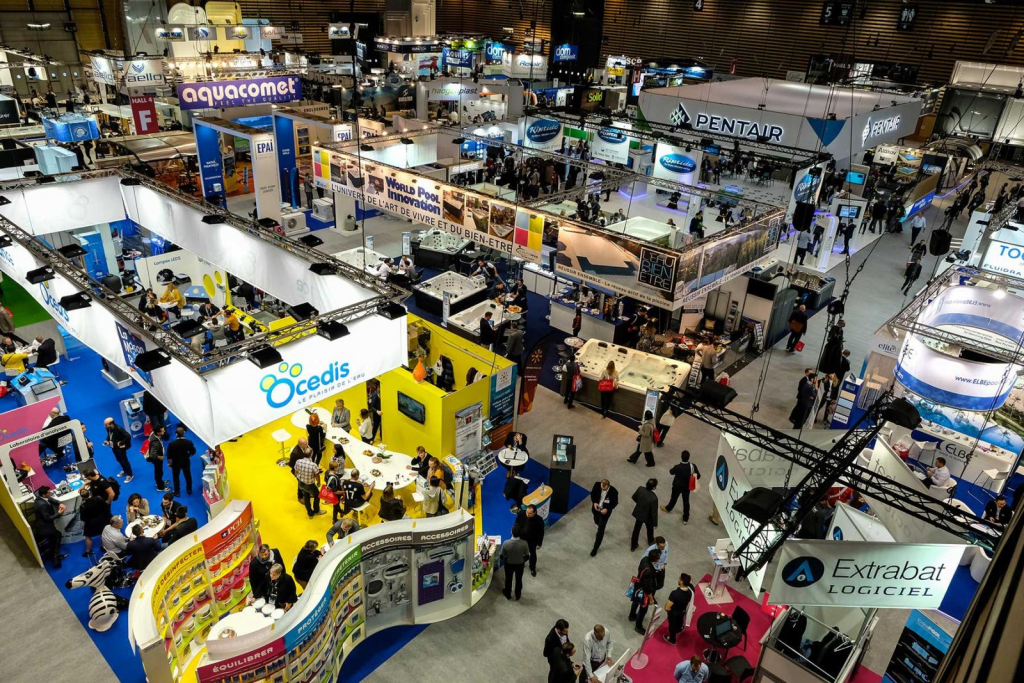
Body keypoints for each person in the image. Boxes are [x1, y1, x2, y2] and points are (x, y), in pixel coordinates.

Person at [33, 486, 67, 567]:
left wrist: (59, 503)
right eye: (49, 492)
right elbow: (47, 518)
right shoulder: (42, 505)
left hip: (42, 526)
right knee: (57, 538)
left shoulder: (39, 498)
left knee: (56, 538)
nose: (51, 493)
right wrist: (59, 513)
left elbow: (50, 499)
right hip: (45, 528)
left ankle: (54, 555)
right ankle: (55, 559)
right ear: (44, 494)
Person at [628, 548, 660, 633]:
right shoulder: (649, 571)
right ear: (656, 559)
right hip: (644, 591)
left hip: (638, 586)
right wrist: (651, 599)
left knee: (635, 601)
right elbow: (647, 588)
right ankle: (638, 627)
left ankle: (632, 615)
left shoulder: (644, 559)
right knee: (643, 609)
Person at [663, 451, 701, 523]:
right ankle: (685, 518)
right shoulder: (693, 466)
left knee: (674, 498)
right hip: (687, 487)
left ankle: (668, 508)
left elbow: (671, 472)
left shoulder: (677, 467)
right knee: (686, 501)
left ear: (681, 457)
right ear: (688, 457)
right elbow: (698, 476)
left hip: (677, 486)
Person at [500, 524, 529, 601]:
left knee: (508, 579)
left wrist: (506, 559)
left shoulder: (506, 543)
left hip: (509, 564)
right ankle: (518, 595)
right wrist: (521, 560)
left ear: (511, 532)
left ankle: (508, 594)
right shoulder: (524, 543)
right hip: (520, 565)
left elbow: (502, 556)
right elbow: (527, 556)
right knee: (519, 580)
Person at [590, 479, 618, 556]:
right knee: (596, 521)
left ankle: (595, 548)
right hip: (596, 510)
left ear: (608, 486)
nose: (603, 489)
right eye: (602, 488)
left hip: (605, 513)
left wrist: (607, 509)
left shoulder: (614, 492)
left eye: (604, 489)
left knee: (600, 531)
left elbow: (615, 503)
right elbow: (592, 494)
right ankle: (599, 525)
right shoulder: (596, 485)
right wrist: (595, 502)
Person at [664, 573, 695, 644]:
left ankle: (672, 640)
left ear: (681, 581)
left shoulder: (675, 593)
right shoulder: (690, 592)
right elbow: (691, 585)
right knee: (679, 621)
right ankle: (679, 629)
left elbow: (667, 607)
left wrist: (669, 610)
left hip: (674, 613)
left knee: (672, 626)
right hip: (682, 611)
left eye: (679, 578)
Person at [515, 504, 545, 577]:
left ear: (535, 512)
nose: (527, 514)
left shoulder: (539, 520)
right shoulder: (521, 513)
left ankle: (532, 568)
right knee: (520, 552)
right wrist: (515, 534)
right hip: (521, 538)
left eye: (530, 513)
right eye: (527, 512)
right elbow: (516, 524)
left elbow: (541, 532)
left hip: (532, 541)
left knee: (532, 554)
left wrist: (539, 543)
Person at [630, 479, 659, 552]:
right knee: (650, 528)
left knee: (636, 529)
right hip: (648, 516)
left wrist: (640, 504)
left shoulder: (640, 489)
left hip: (639, 513)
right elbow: (654, 512)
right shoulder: (654, 498)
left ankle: (633, 546)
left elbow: (634, 497)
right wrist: (655, 523)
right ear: (654, 487)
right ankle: (651, 540)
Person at [294, 451, 325, 519]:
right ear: (311, 455)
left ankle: (310, 514)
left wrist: (299, 478)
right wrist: (318, 482)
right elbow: (317, 475)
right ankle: (316, 510)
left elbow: (296, 472)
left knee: (306, 497)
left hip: (301, 483)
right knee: (317, 495)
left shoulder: (298, 461)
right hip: (310, 485)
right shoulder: (313, 465)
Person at [167, 425, 197, 496]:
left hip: (175, 462)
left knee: (176, 477)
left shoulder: (172, 444)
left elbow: (169, 455)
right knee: (188, 475)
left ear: (176, 434)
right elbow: (193, 451)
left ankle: (177, 492)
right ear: (184, 433)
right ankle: (189, 489)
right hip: (186, 461)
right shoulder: (189, 442)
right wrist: (188, 455)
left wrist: (170, 463)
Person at [103, 417, 134, 483]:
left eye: (106, 424)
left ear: (111, 424)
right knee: (119, 459)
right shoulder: (108, 428)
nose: (104, 426)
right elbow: (109, 435)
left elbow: (128, 436)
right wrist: (107, 440)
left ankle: (130, 474)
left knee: (124, 460)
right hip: (113, 446)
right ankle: (124, 470)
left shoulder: (119, 429)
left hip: (120, 447)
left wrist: (121, 442)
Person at [79, 488, 108, 557]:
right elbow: (105, 507)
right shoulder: (99, 498)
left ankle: (87, 551)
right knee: (102, 533)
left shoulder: (83, 506)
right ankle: (103, 546)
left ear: (82, 497)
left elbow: (82, 518)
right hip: (101, 520)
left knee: (88, 537)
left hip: (90, 523)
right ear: (89, 493)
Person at [146, 426, 170, 492]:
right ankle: (160, 487)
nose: (164, 431)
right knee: (158, 472)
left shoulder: (153, 433)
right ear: (158, 433)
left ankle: (160, 482)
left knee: (159, 472)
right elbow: (152, 454)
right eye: (162, 431)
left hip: (157, 458)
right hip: (157, 460)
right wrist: (160, 457)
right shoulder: (155, 443)